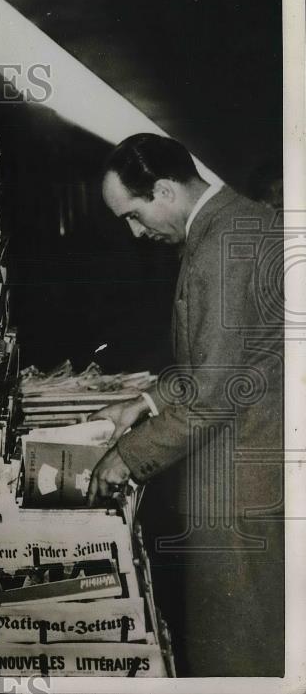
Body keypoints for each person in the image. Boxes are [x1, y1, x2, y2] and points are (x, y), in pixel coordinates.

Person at [86, 133, 283, 676]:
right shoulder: (239, 222)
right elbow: (231, 358)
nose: (135, 231)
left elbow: (215, 389)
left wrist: (129, 454)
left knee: (237, 656)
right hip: (255, 465)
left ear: (166, 191)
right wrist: (146, 401)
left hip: (239, 485)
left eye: (133, 214)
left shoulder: (220, 248)